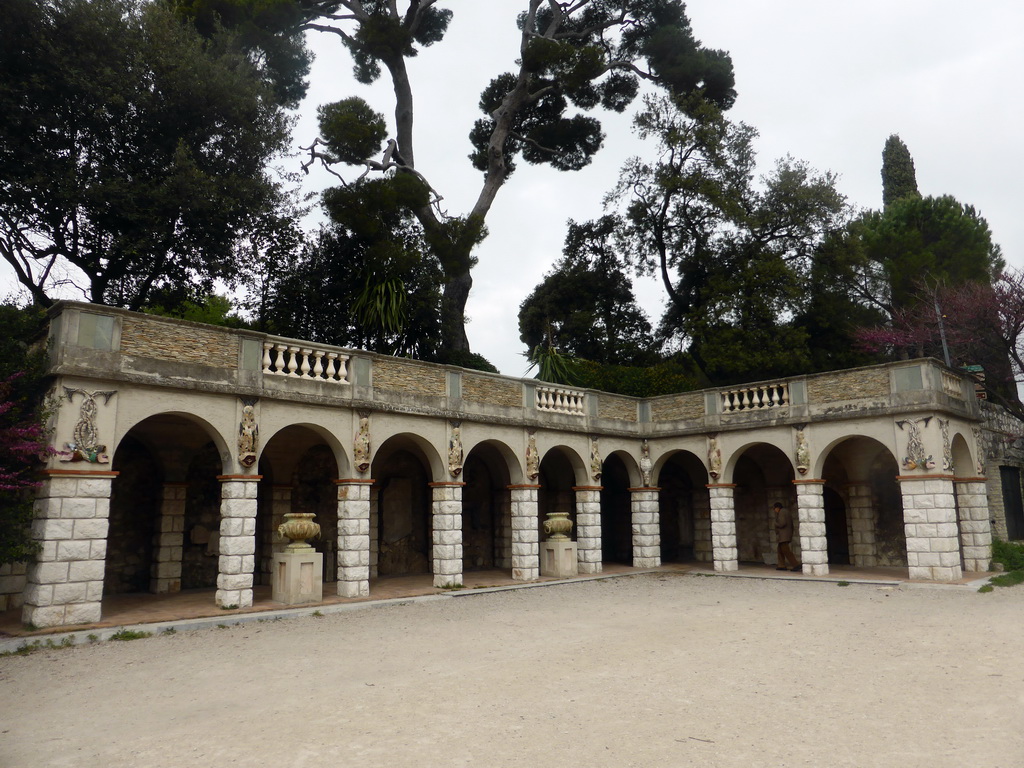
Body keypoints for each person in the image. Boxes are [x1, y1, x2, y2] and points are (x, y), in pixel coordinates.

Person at [773, 502, 801, 572]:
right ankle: (781, 565)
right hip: (785, 534)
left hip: (784, 535)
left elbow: (782, 523)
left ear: (777, 508)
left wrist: (775, 523)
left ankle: (795, 564)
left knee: (786, 550)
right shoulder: (786, 511)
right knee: (780, 550)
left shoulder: (782, 512)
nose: (774, 510)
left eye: (774, 509)